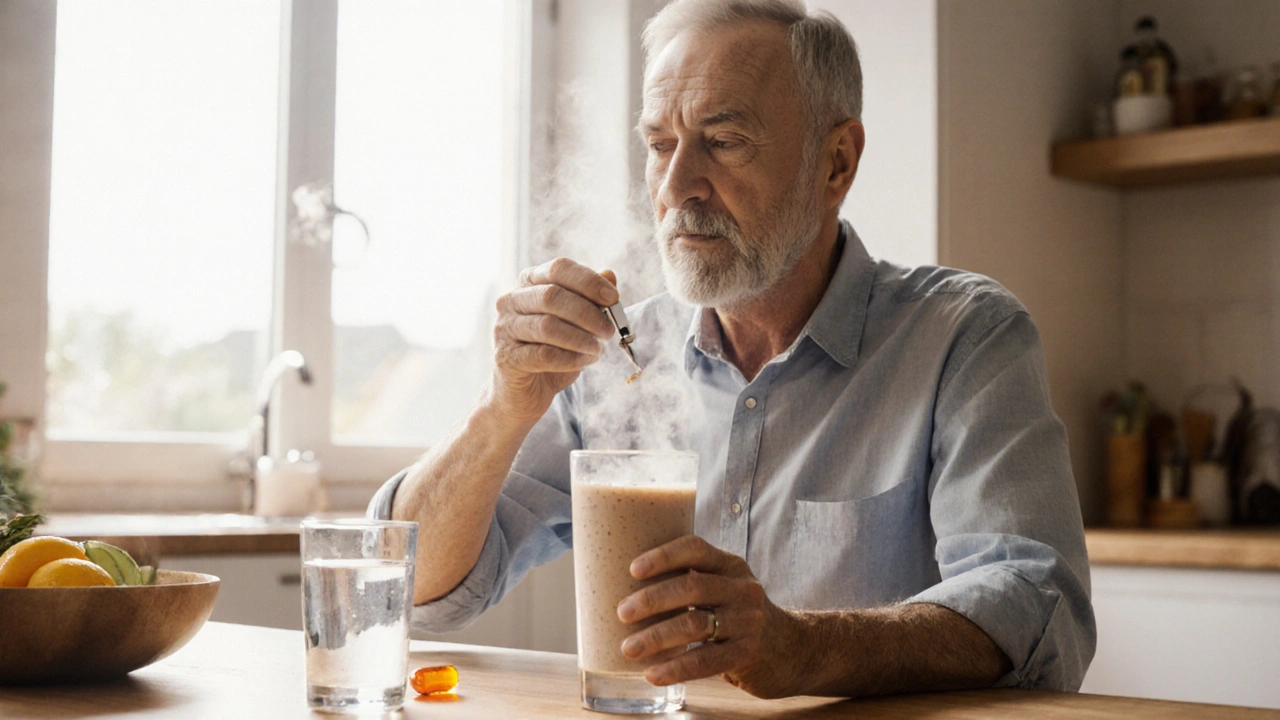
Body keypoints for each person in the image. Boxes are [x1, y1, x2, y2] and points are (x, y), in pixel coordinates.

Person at [369, 0, 1095, 700]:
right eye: (660, 146)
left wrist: (804, 648)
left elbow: (1036, 611)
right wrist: (502, 410)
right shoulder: (619, 359)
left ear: (835, 163)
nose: (678, 186)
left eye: (723, 141)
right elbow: (416, 595)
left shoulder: (963, 338)